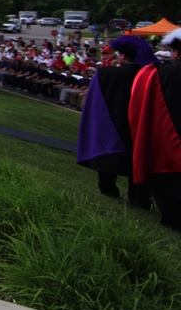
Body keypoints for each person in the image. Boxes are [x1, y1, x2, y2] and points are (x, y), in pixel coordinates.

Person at [77, 35, 157, 207]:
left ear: (121, 55)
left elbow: (94, 101)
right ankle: (138, 198)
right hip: (138, 127)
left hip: (110, 123)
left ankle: (108, 189)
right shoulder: (149, 77)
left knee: (108, 161)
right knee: (137, 163)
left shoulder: (105, 73)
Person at [129, 28, 181, 231]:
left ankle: (171, 218)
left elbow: (140, 109)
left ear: (175, 52)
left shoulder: (157, 74)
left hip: (166, 142)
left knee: (169, 188)